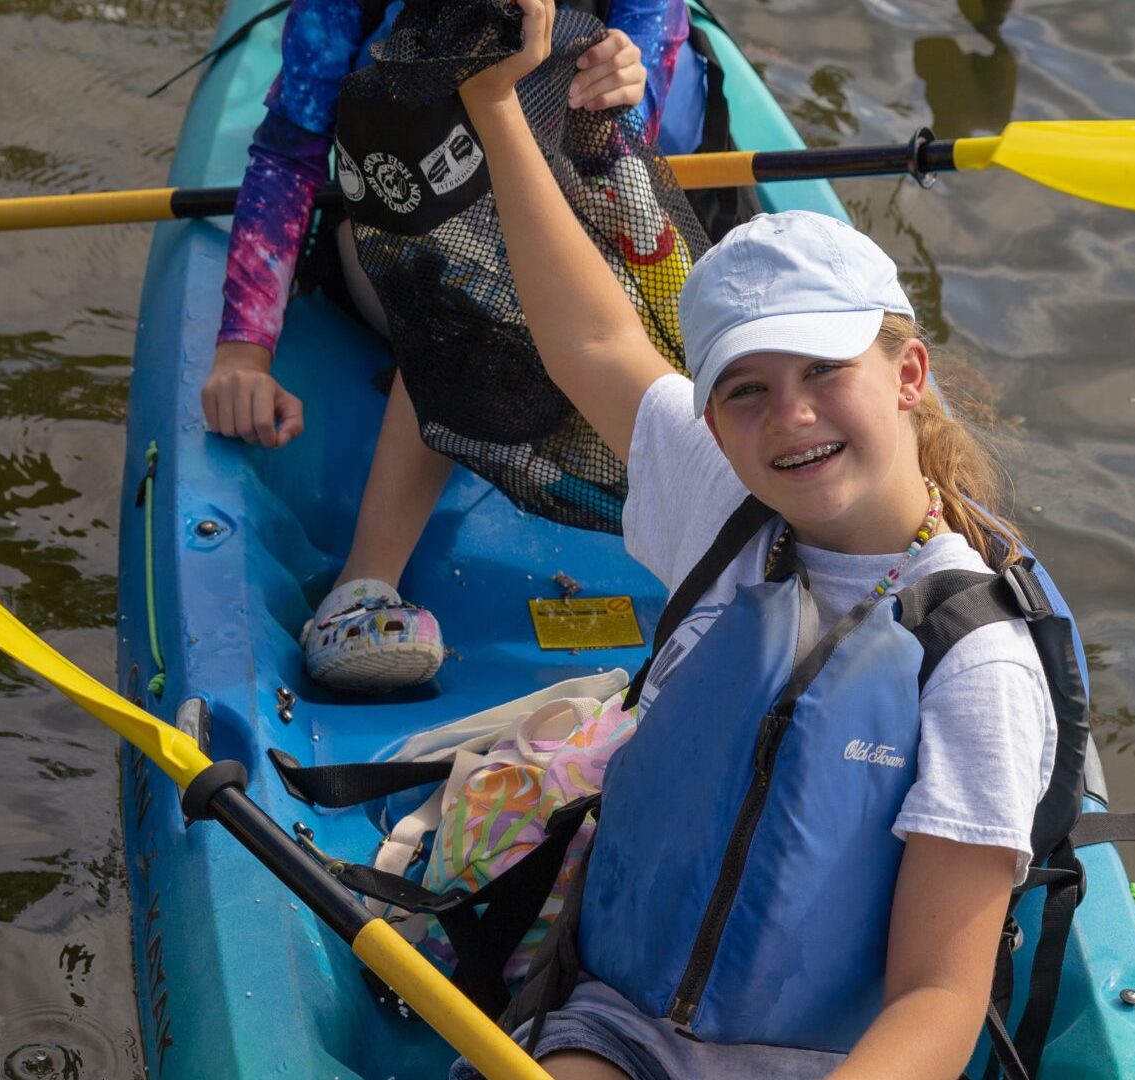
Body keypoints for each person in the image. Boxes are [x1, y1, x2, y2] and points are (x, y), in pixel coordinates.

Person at [446, 1, 1061, 1077]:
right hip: (617, 1025)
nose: (791, 418)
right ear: (714, 418)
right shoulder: (729, 499)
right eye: (747, 391)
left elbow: (937, 997)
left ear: (909, 378)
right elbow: (592, 335)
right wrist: (496, 103)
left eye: (825, 373)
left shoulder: (973, 658)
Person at [201, 0, 701, 692]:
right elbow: (291, 150)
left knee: (548, 272)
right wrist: (243, 350)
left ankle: (717, 551)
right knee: (480, 285)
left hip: (570, 209)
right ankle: (364, 581)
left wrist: (612, 98)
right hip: (399, 228)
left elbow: (614, 164)